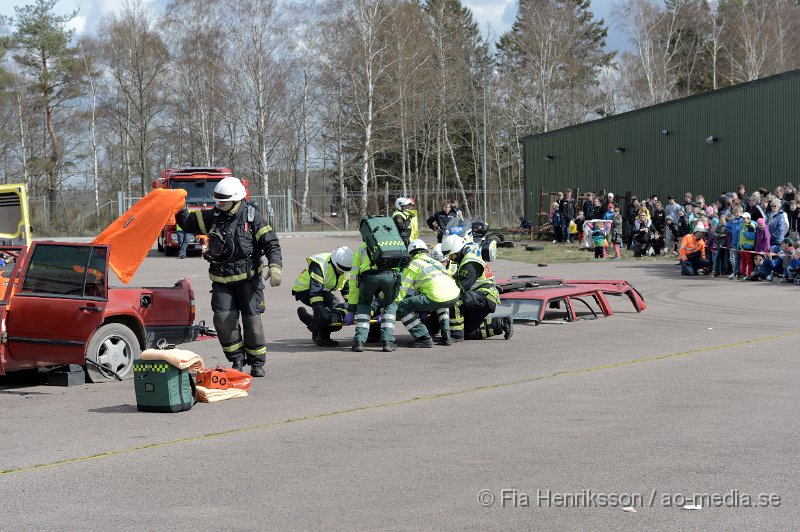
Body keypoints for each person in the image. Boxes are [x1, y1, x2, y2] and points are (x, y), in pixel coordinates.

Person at [175, 176, 282, 377]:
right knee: (224, 321)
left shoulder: (252, 218)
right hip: (222, 281)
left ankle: (257, 363)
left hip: (249, 281)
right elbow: (189, 223)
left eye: (223, 200)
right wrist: (179, 207)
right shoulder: (214, 215)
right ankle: (237, 360)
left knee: (253, 323)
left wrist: (275, 266)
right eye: (218, 200)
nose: (219, 203)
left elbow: (271, 243)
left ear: (236, 199)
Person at [441, 235, 513, 341]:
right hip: (480, 295)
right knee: (470, 332)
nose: (450, 259)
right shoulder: (465, 256)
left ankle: (456, 335)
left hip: (486, 295)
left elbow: (463, 287)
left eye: (451, 256)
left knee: (456, 299)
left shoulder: (469, 263)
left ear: (458, 251)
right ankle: (501, 323)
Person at [395, 239, 461, 348]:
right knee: (441, 301)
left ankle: (423, 337)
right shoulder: (435, 262)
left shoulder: (413, 265)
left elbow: (402, 290)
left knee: (401, 306)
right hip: (454, 295)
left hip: (437, 296)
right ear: (425, 251)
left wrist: (393, 304)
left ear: (411, 254)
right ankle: (446, 335)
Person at [347, 240, 401, 353]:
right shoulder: (393, 244)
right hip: (390, 276)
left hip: (368, 278)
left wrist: (352, 307)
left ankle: (359, 342)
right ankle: (387, 342)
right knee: (390, 304)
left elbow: (353, 279)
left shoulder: (361, 248)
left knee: (364, 303)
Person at [293, 247, 353, 348]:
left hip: (321, 290)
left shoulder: (345, 268)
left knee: (336, 312)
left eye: (345, 270)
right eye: (340, 270)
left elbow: (347, 290)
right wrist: (319, 312)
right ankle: (322, 338)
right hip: (304, 289)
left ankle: (313, 323)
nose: (342, 272)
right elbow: (315, 294)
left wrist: (351, 307)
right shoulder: (320, 265)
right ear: (334, 262)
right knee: (332, 306)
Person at [725, 207, 744, 279]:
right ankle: (735, 272)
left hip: (742, 242)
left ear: (741, 212)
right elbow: (726, 226)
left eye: (738, 212)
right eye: (735, 212)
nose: (736, 214)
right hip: (734, 242)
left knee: (742, 258)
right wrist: (732, 231)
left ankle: (742, 272)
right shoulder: (732, 221)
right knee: (735, 258)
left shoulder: (743, 220)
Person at [738, 212, 757, 278]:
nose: (743, 219)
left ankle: (749, 274)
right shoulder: (742, 224)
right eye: (742, 218)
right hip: (742, 246)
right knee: (743, 261)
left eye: (744, 218)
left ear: (748, 218)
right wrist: (739, 245)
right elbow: (740, 236)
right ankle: (743, 274)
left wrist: (745, 233)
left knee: (749, 261)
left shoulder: (751, 225)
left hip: (748, 246)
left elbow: (752, 236)